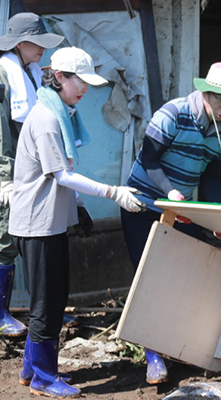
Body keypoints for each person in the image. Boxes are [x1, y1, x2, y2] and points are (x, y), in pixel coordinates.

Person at [9, 46, 146, 398]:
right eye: (79, 81)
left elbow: (64, 173)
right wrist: (113, 192)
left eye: (87, 82)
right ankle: (43, 377)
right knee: (47, 303)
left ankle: (32, 368)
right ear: (59, 77)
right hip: (37, 225)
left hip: (51, 222)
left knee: (54, 298)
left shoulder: (63, 113)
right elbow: (63, 175)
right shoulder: (47, 119)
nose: (84, 88)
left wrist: (80, 206)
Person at [121, 61, 221, 385]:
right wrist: (170, 191)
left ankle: (181, 346)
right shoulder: (173, 113)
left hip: (180, 208)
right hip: (143, 203)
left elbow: (212, 177)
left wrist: (217, 217)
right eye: (218, 98)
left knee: (186, 275)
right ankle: (153, 356)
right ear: (204, 92)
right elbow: (148, 159)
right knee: (149, 276)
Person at [0, 12, 64, 339]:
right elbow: (1, 132)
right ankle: (1, 312)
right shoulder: (4, 75)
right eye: (37, 43)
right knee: (6, 237)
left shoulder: (32, 71)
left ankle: (43, 309)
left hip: (31, 165)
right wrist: (4, 177)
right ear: (20, 44)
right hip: (10, 166)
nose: (43, 48)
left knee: (35, 235)